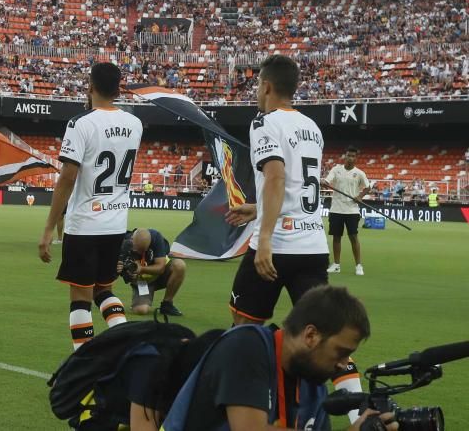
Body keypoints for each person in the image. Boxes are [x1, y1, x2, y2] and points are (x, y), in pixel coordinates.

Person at [162, 285, 397, 431]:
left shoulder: (315, 389)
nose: (344, 364)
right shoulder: (247, 345)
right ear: (311, 335)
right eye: (342, 352)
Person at [39, 62, 143, 350]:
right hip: (115, 223)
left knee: (80, 298)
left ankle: (83, 363)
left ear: (90, 86)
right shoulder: (135, 124)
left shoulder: (80, 123)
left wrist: (48, 229)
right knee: (104, 290)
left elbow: (68, 178)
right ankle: (123, 344)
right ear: (118, 88)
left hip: (85, 223)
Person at [225, 55, 328, 326]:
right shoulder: (312, 128)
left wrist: (266, 237)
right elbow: (296, 189)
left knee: (243, 322)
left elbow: (275, 178)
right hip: (314, 246)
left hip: (278, 243)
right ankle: (346, 371)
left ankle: (258, 367)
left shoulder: (264, 123)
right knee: (320, 335)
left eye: (258, 84)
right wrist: (258, 209)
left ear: (267, 86)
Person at [117, 228, 186, 317]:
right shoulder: (123, 244)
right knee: (141, 310)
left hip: (159, 275)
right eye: (138, 250)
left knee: (179, 265)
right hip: (142, 282)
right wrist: (128, 274)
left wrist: (141, 269)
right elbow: (119, 270)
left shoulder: (156, 237)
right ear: (131, 241)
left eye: (143, 250)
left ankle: (167, 304)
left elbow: (160, 267)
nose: (141, 253)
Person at [324, 146, 370, 276]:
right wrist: (324, 182)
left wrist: (360, 197)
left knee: (353, 237)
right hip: (336, 209)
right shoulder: (336, 169)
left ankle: (358, 265)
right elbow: (327, 180)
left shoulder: (359, 173)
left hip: (352, 210)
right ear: (345, 156)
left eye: (353, 156)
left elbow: (368, 187)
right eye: (348, 155)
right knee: (336, 237)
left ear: (356, 158)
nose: (350, 158)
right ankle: (337, 265)